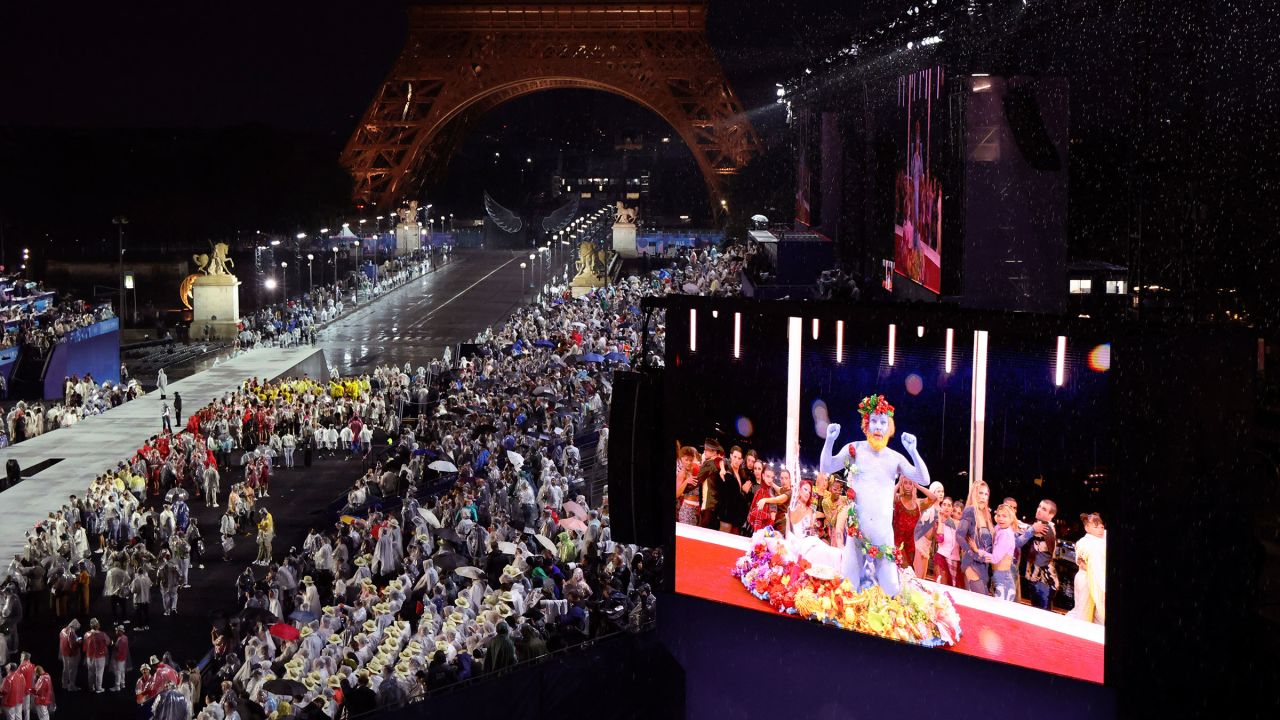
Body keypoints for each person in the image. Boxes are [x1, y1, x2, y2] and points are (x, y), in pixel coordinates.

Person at [819, 394, 930, 596]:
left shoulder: (894, 458)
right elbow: (826, 466)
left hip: (883, 537)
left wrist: (914, 452)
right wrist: (829, 441)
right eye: (874, 422)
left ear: (889, 428)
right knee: (848, 589)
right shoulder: (855, 449)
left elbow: (924, 479)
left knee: (891, 591)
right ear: (866, 425)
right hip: (856, 534)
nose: (878, 427)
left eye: (883, 423)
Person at [1017, 499, 1059, 610]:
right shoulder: (1038, 526)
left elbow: (1022, 528)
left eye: (1044, 509)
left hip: (1044, 583)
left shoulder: (1046, 528)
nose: (1039, 510)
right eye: (1039, 506)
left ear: (1051, 515)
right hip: (1036, 580)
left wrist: (1009, 516)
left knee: (1043, 618)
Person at [957, 480, 994, 595]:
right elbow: (959, 535)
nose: (983, 497)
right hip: (971, 562)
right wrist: (972, 553)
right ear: (974, 493)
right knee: (981, 599)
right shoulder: (970, 510)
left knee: (982, 600)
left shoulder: (986, 515)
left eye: (986, 494)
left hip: (983, 564)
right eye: (980, 493)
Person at [1070, 512, 1107, 624]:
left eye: (1101, 526)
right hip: (1086, 579)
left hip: (1100, 579)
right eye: (1096, 527)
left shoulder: (1104, 539)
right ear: (1087, 528)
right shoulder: (1083, 542)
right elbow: (1082, 563)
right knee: (1083, 612)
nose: (1100, 529)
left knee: (1100, 616)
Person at [977, 504, 1019, 601]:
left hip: (1004, 580)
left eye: (1004, 516)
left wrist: (977, 551)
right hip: (999, 577)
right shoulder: (1000, 528)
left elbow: (995, 558)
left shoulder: (1006, 534)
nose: (1001, 519)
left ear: (1011, 518)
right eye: (999, 515)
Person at [82, 618, 110, 693]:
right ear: (97, 625)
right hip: (100, 657)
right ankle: (99, 688)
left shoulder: (86, 634)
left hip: (89, 657)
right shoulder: (102, 634)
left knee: (90, 672)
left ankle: (91, 687)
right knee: (99, 673)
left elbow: (84, 647)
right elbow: (108, 642)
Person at [57, 620, 80, 692]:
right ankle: (71, 686)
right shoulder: (72, 633)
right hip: (71, 654)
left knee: (65, 668)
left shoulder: (62, 631)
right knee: (72, 670)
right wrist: (79, 641)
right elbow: (72, 645)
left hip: (64, 653)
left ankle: (64, 684)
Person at [111, 626, 131, 692]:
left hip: (119, 658)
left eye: (117, 631)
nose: (116, 632)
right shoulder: (125, 637)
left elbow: (119, 649)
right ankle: (123, 684)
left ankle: (117, 687)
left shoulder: (121, 639)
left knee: (118, 672)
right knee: (122, 671)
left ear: (120, 631)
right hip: (123, 658)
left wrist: (113, 645)